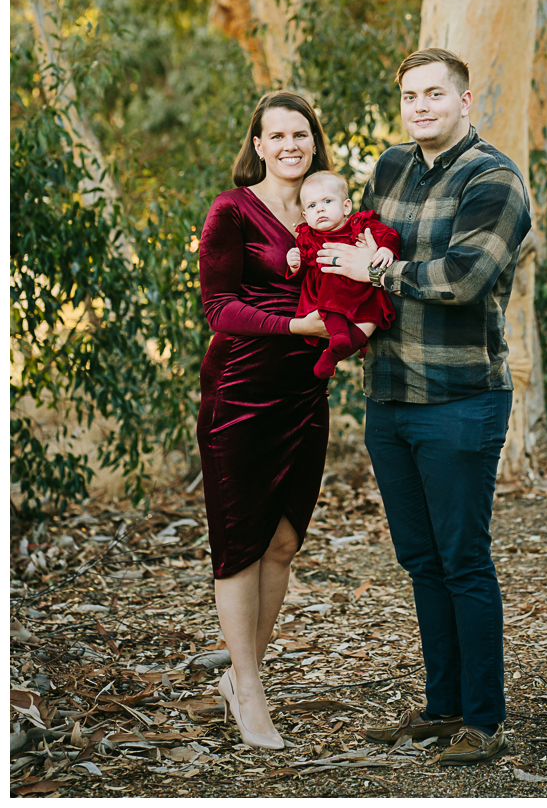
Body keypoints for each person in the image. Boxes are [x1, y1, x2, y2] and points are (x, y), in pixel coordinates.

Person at [316, 47, 532, 766]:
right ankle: (442, 708)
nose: (421, 106)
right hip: (390, 397)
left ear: (465, 103)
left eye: (435, 94)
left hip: (460, 399)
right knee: (421, 559)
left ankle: (484, 720)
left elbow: (465, 277)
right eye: (411, 95)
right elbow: (353, 240)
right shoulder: (389, 167)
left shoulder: (494, 180)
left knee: (463, 558)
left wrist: (375, 267)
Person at [196, 91, 333, 750]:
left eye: (299, 134)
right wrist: (294, 325)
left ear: (314, 140)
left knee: (282, 541)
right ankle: (248, 690)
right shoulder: (231, 211)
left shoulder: (325, 209)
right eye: (274, 136)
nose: (288, 146)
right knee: (240, 544)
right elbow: (218, 307)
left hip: (306, 391)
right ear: (256, 144)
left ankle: (244, 677)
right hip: (241, 389)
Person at [286, 170, 401, 377]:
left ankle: (332, 355)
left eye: (327, 201)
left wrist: (386, 248)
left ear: (346, 206)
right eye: (312, 206)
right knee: (330, 280)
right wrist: (296, 265)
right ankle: (338, 334)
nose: (320, 209)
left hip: (363, 289)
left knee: (372, 320)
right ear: (305, 215)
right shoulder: (309, 237)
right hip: (328, 291)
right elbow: (305, 268)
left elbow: (388, 233)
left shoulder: (358, 225)